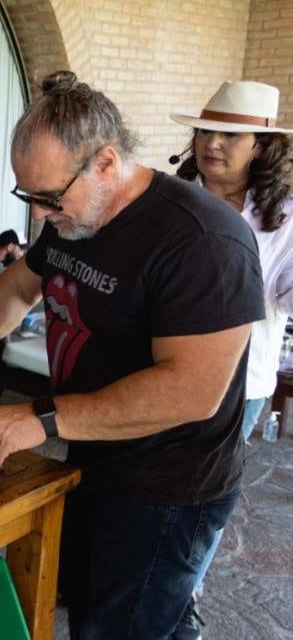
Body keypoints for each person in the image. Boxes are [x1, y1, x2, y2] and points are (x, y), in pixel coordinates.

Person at [0, 71, 263, 639]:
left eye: (48, 198)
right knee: (115, 608)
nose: (36, 215)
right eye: (27, 196)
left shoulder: (204, 240)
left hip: (168, 487)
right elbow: (18, 286)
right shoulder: (72, 218)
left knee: (119, 624)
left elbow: (192, 391)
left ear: (105, 163)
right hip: (98, 457)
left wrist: (43, 417)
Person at [170, 80, 293, 636]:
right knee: (152, 484)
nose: (212, 143)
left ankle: (182, 592)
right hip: (162, 369)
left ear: (262, 147)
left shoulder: (284, 217)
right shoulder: (169, 198)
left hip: (240, 383)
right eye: (206, 130)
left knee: (204, 496)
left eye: (230, 134)